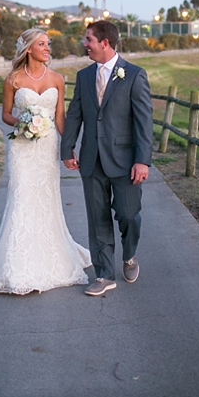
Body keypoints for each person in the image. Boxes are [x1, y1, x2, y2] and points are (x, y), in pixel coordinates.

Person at [0, 29, 92, 295]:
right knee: (21, 199)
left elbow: (61, 118)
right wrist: (23, 122)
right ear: (29, 48)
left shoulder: (57, 79)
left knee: (46, 199)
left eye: (48, 44)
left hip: (47, 148)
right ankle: (16, 267)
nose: (47, 48)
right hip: (21, 147)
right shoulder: (13, 80)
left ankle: (50, 258)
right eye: (42, 44)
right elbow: (6, 115)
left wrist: (70, 148)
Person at [61, 20, 153, 296]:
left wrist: (142, 160)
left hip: (126, 162)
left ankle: (130, 254)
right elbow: (75, 114)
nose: (84, 44)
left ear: (105, 43)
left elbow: (144, 122)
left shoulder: (134, 75)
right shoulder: (83, 76)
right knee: (97, 218)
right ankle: (104, 275)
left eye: (88, 39)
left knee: (128, 214)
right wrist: (67, 150)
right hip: (91, 159)